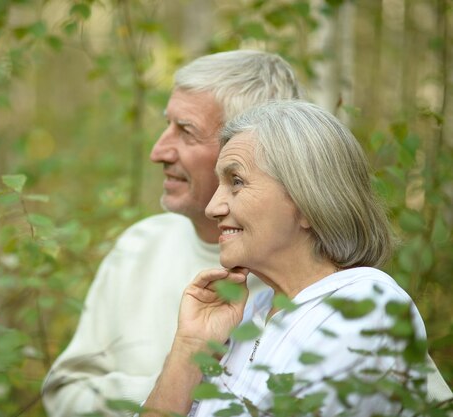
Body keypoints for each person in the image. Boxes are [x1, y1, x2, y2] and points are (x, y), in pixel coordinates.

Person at [143, 100, 451, 416]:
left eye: (236, 181)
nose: (212, 208)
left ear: (307, 202)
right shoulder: (248, 316)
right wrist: (190, 348)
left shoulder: (364, 307)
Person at [41, 50, 304, 416]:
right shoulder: (139, 245)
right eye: (168, 125)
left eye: (186, 131)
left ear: (248, 148)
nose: (158, 151)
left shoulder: (308, 275)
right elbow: (63, 393)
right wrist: (173, 387)